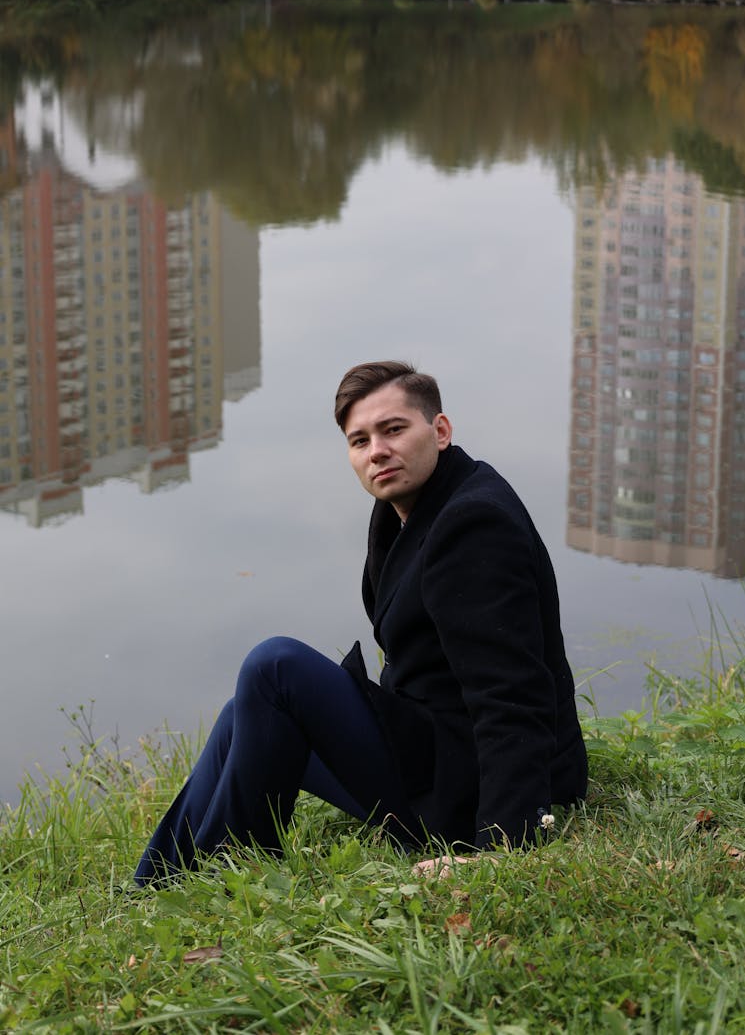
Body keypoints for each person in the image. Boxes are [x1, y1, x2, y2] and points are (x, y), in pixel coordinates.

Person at [134, 361, 587, 885]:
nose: (377, 451)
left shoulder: (473, 524)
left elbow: (512, 694)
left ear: (439, 431)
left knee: (275, 665)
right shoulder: (404, 510)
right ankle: (159, 881)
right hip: (427, 750)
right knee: (249, 709)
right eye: (360, 440)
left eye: (394, 429)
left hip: (466, 786)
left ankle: (221, 873)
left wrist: (503, 843)